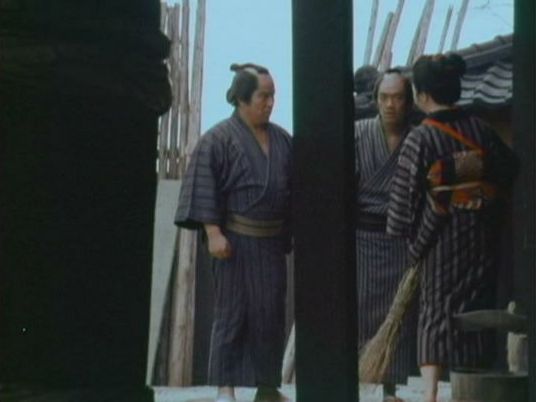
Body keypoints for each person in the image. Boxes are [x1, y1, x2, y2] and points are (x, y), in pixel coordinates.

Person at [387, 54, 517, 402]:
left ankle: (430, 393)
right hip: (482, 232)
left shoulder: (421, 138)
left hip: (440, 234)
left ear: (422, 94)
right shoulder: (481, 129)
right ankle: (470, 388)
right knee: (475, 306)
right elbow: (508, 168)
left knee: (437, 310)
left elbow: (402, 205)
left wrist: (407, 228)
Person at [175, 63, 292, 402]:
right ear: (242, 99)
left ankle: (267, 388)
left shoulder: (283, 140)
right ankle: (225, 389)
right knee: (232, 314)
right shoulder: (217, 139)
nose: (269, 103)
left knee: (270, 315)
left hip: (271, 242)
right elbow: (203, 187)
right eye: (263, 96)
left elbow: (296, 189)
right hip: (234, 242)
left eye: (272, 96)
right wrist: (213, 233)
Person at [355, 68, 418, 401]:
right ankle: (358, 381)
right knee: (361, 313)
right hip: (363, 237)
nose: (390, 105)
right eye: (384, 97)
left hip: (402, 239)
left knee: (399, 314)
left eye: (397, 98)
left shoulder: (418, 137)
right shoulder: (358, 133)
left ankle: (392, 389)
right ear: (375, 99)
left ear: (408, 101)